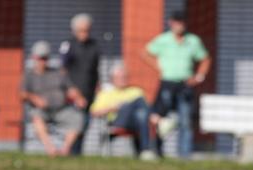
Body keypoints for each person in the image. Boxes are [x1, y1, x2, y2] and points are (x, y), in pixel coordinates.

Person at [142, 10, 211, 159]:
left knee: (185, 121)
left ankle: (184, 156)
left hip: (185, 85)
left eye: (182, 22)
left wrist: (199, 77)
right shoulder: (163, 40)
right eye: (176, 22)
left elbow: (205, 59)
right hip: (167, 84)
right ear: (171, 23)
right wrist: (159, 67)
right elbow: (145, 53)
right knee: (158, 119)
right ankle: (156, 151)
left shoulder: (193, 41)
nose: (179, 26)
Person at [21, 41, 87, 157]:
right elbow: (22, 94)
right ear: (34, 58)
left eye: (45, 58)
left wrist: (78, 98)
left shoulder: (58, 73)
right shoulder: (29, 75)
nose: (43, 61)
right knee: (37, 118)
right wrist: (35, 98)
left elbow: (71, 89)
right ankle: (50, 149)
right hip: (41, 111)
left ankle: (64, 150)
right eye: (40, 58)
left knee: (78, 117)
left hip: (61, 110)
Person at [90, 65, 155, 160]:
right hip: (117, 121)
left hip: (136, 122)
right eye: (120, 78)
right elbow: (94, 112)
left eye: (125, 77)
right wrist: (113, 108)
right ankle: (158, 121)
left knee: (141, 114)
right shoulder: (106, 93)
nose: (123, 80)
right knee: (134, 103)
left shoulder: (135, 91)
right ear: (113, 79)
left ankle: (145, 152)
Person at [60, 13, 100, 156]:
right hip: (73, 93)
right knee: (74, 123)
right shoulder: (68, 46)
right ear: (74, 30)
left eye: (87, 30)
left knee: (85, 124)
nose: (85, 34)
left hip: (89, 92)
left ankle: (77, 152)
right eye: (81, 30)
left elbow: (95, 69)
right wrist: (72, 92)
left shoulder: (94, 46)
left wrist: (97, 89)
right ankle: (71, 152)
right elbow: (63, 71)